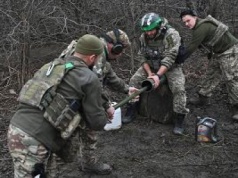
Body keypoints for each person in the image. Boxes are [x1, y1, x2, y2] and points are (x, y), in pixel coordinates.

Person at [7, 34, 112, 178]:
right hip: (33, 140)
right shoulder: (88, 77)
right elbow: (96, 122)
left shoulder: (53, 66)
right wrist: (106, 114)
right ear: (92, 57)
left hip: (17, 128)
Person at [58, 29, 137, 174]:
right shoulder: (98, 56)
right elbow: (94, 89)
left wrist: (127, 89)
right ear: (115, 46)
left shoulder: (86, 47)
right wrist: (106, 107)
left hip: (62, 95)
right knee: (90, 127)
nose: (120, 55)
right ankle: (87, 163)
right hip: (73, 98)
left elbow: (110, 76)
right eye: (121, 50)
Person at [122, 12, 189, 135]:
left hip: (171, 67)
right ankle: (132, 108)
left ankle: (180, 117)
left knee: (179, 88)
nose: (149, 33)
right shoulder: (144, 37)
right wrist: (150, 74)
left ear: (158, 26)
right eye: (146, 31)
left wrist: (158, 76)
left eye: (151, 30)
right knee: (134, 81)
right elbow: (141, 57)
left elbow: (170, 57)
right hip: (151, 65)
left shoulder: (171, 35)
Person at [180, 9, 238, 120]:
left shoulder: (201, 27)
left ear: (195, 17)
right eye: (184, 23)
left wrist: (179, 59)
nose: (187, 24)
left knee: (231, 79)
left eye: (188, 20)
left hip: (230, 51)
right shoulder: (199, 27)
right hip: (218, 52)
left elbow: (191, 47)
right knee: (211, 74)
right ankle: (203, 98)